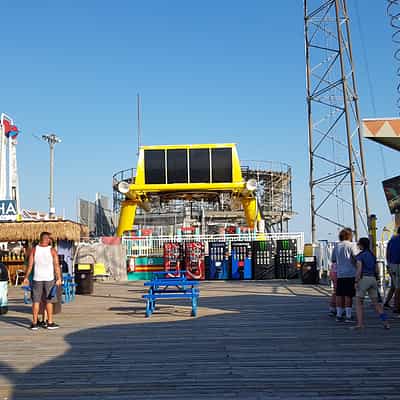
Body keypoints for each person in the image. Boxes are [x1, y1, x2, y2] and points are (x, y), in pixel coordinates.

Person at [22, 232, 62, 330]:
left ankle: (34, 323)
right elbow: (56, 266)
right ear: (47, 239)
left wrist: (26, 277)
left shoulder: (34, 250)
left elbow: (30, 266)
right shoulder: (52, 250)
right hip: (49, 278)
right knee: (49, 301)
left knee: (36, 301)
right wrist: (59, 278)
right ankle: (50, 322)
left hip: (37, 278)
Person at [353, 237, 390, 330]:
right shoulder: (372, 255)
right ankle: (386, 322)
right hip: (373, 279)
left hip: (364, 279)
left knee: (359, 302)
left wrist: (356, 281)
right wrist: (377, 279)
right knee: (376, 304)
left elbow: (359, 269)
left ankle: (360, 324)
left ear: (361, 245)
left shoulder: (360, 256)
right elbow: (376, 269)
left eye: (358, 244)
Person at [331, 228, 357, 323]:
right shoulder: (352, 245)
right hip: (350, 273)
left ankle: (339, 315)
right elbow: (356, 257)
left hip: (340, 273)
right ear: (349, 236)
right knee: (348, 295)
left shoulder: (337, 246)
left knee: (339, 294)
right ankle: (348, 316)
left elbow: (333, 259)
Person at [386, 226, 400, 314]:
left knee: (395, 285)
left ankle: (389, 303)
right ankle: (396, 307)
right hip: (398, 264)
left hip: (392, 265)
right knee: (398, 287)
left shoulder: (392, 240)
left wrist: (388, 265)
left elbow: (387, 253)